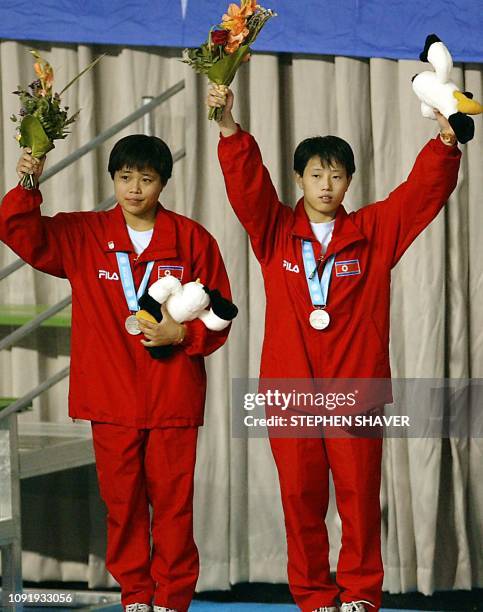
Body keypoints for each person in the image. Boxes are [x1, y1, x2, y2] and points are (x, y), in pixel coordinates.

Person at [207, 84, 461, 612]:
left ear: (350, 182)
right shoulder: (275, 231)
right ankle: (314, 596)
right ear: (298, 179)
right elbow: (248, 189)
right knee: (300, 502)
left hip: (356, 390)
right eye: (317, 174)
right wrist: (229, 129)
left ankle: (361, 596)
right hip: (289, 390)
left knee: (359, 501)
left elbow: (418, 196)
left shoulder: (372, 232)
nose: (327, 185)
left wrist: (444, 143)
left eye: (337, 176)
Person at [0, 134, 234, 612]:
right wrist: (29, 180)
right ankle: (136, 597)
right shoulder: (82, 234)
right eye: (125, 178)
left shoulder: (192, 239)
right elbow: (15, 227)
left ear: (163, 183)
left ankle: (171, 600)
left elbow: (222, 312)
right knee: (123, 508)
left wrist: (184, 338)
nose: (133, 189)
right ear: (113, 179)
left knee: (173, 508)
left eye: (146, 179)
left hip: (173, 394)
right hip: (110, 397)